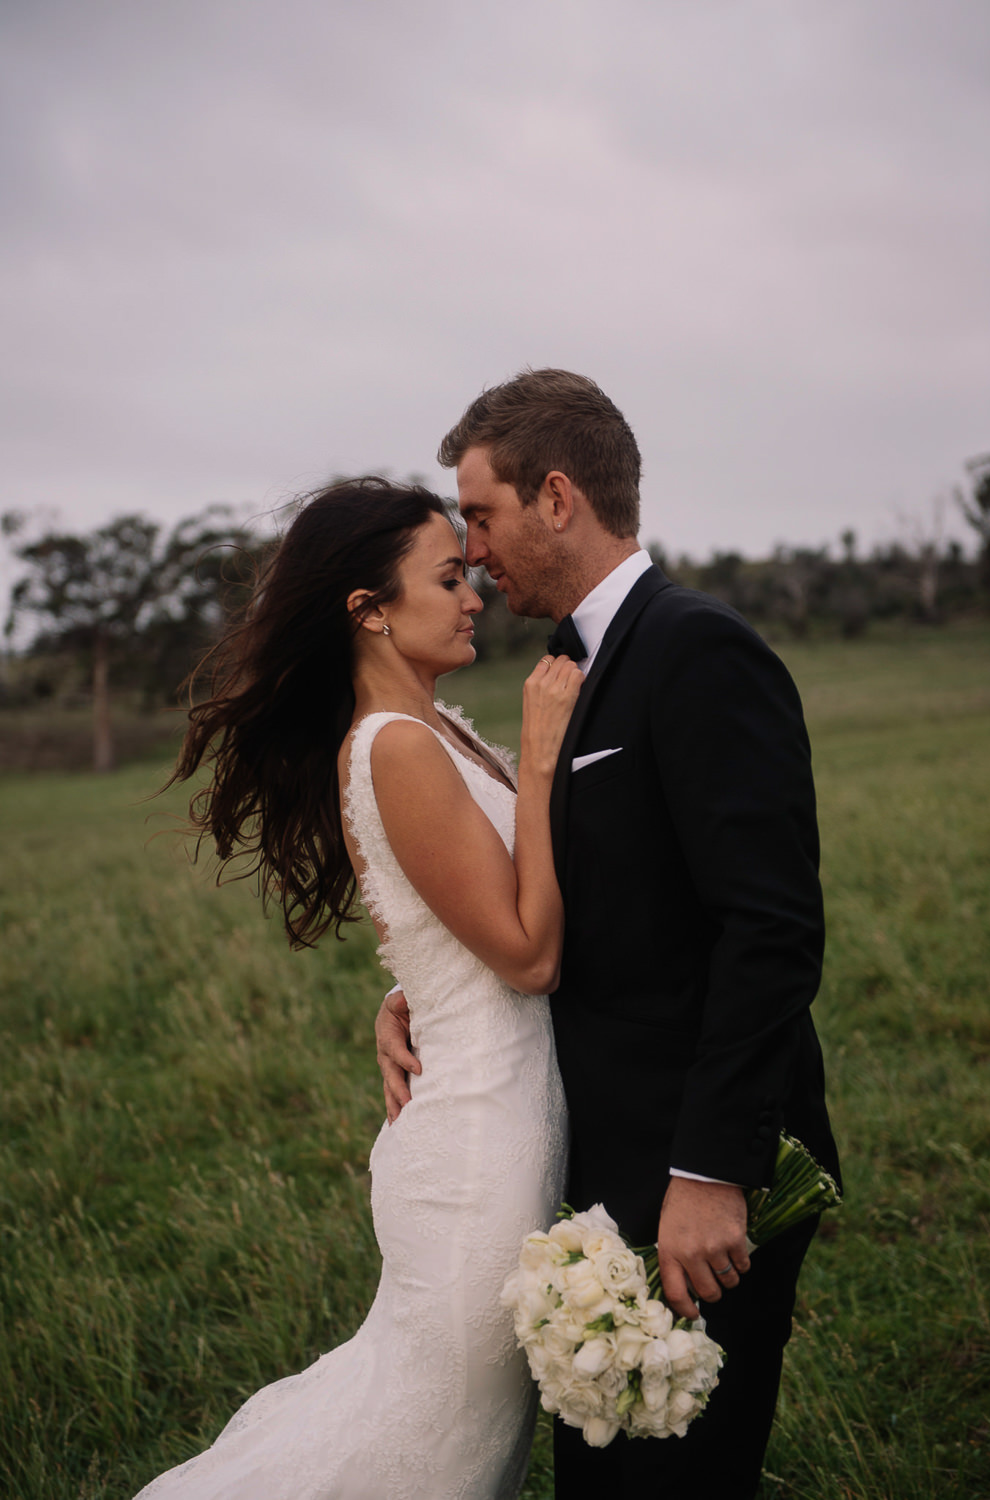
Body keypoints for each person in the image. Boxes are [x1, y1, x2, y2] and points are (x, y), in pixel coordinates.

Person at [377, 370, 841, 1497]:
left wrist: (707, 1172)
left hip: (695, 1173)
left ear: (554, 496)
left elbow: (769, 927)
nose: (472, 550)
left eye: (479, 516)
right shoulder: (569, 669)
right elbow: (581, 890)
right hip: (600, 1160)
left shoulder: (695, 650)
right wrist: (422, 993)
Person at [134, 476, 582, 1500]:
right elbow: (527, 955)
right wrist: (547, 767)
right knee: (433, 1453)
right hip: (473, 1153)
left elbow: (458, 924)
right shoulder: (395, 748)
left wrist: (407, 993)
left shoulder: (437, 727)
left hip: (496, 1113)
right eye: (446, 578)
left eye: (468, 576)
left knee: (455, 1442)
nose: (472, 594)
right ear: (369, 610)